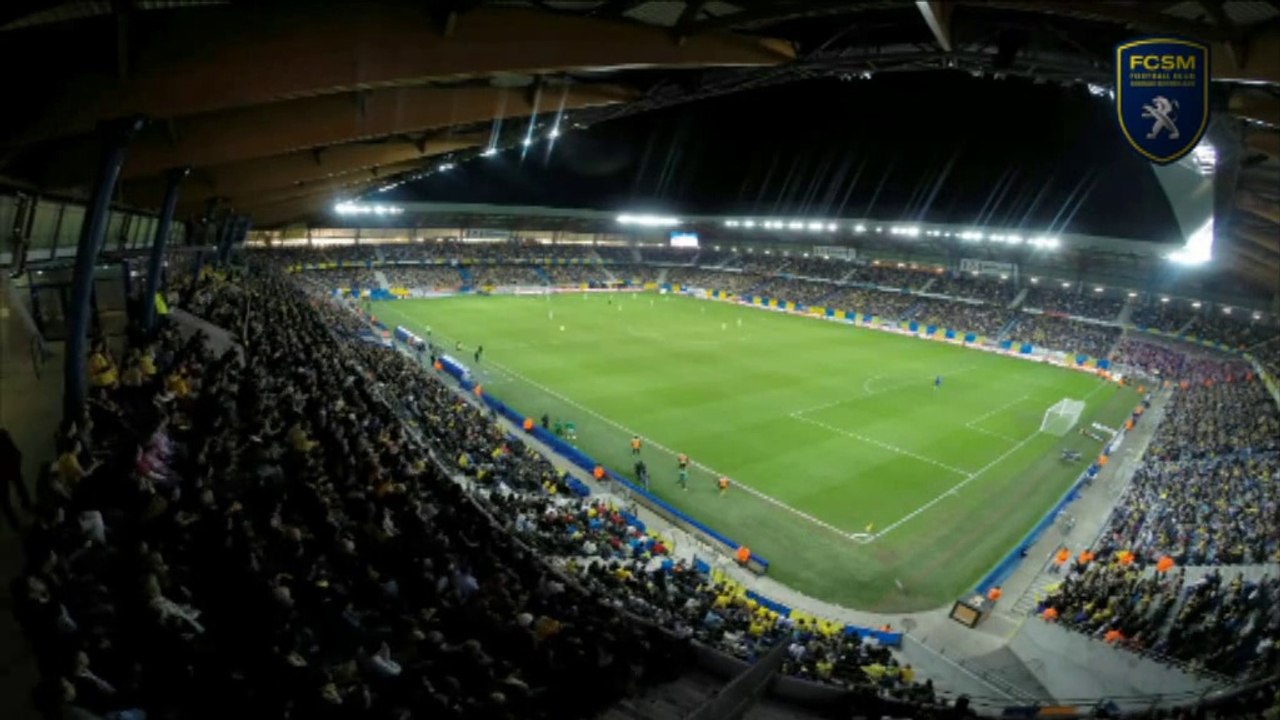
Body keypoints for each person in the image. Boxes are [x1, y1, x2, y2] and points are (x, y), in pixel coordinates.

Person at [0, 428, 32, 530]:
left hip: (6, 471)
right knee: (19, 487)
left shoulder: (3, 434)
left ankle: (14, 523)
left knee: (5, 500)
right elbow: (14, 451)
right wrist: (17, 461)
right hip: (11, 467)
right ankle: (27, 505)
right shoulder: (2, 434)